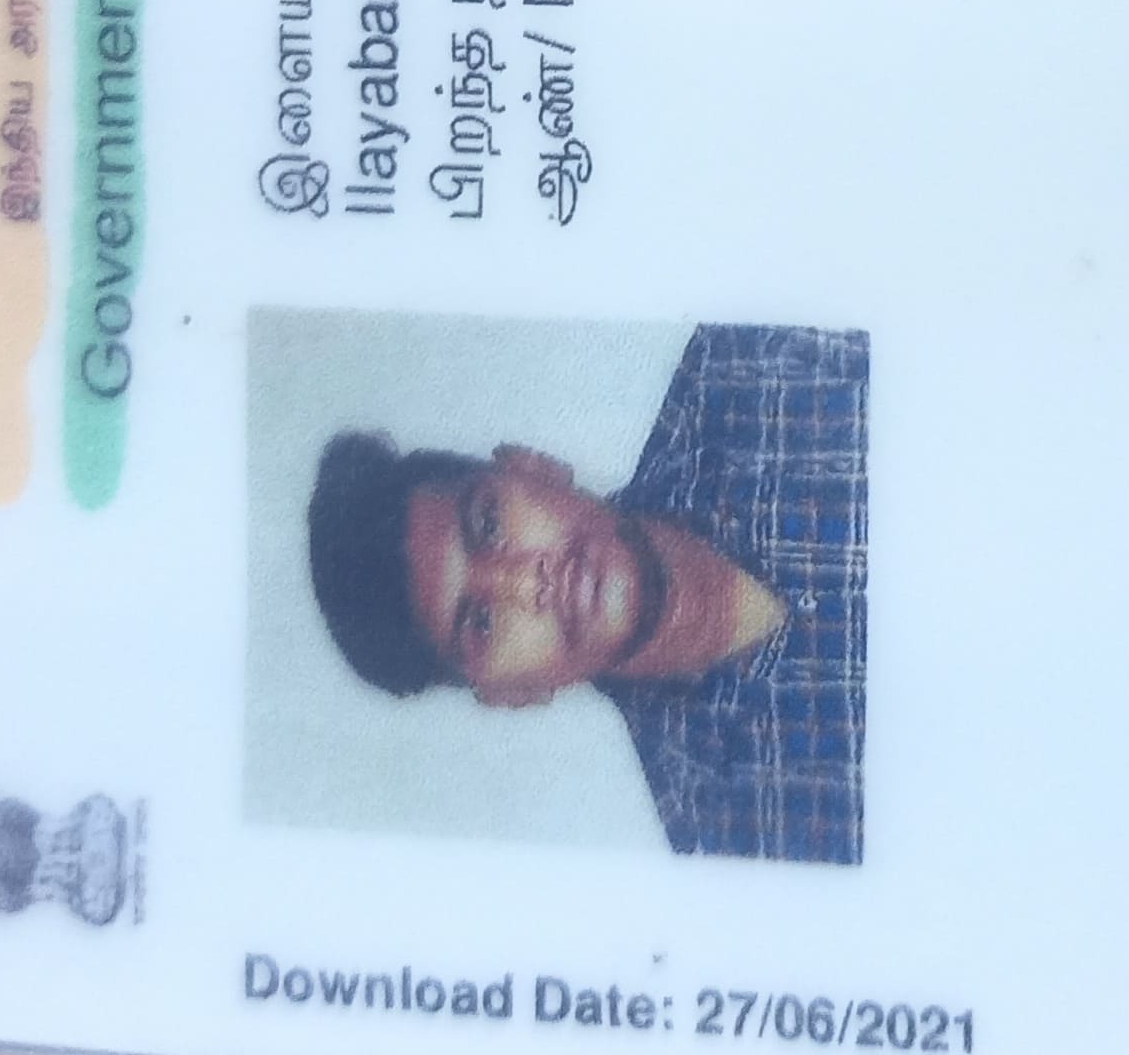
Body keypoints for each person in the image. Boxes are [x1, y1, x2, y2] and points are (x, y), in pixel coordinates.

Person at [304, 323, 864, 863]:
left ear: (534, 466)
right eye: (482, 623)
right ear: (513, 696)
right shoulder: (732, 830)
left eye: (489, 525)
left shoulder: (759, 366)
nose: (526, 583)